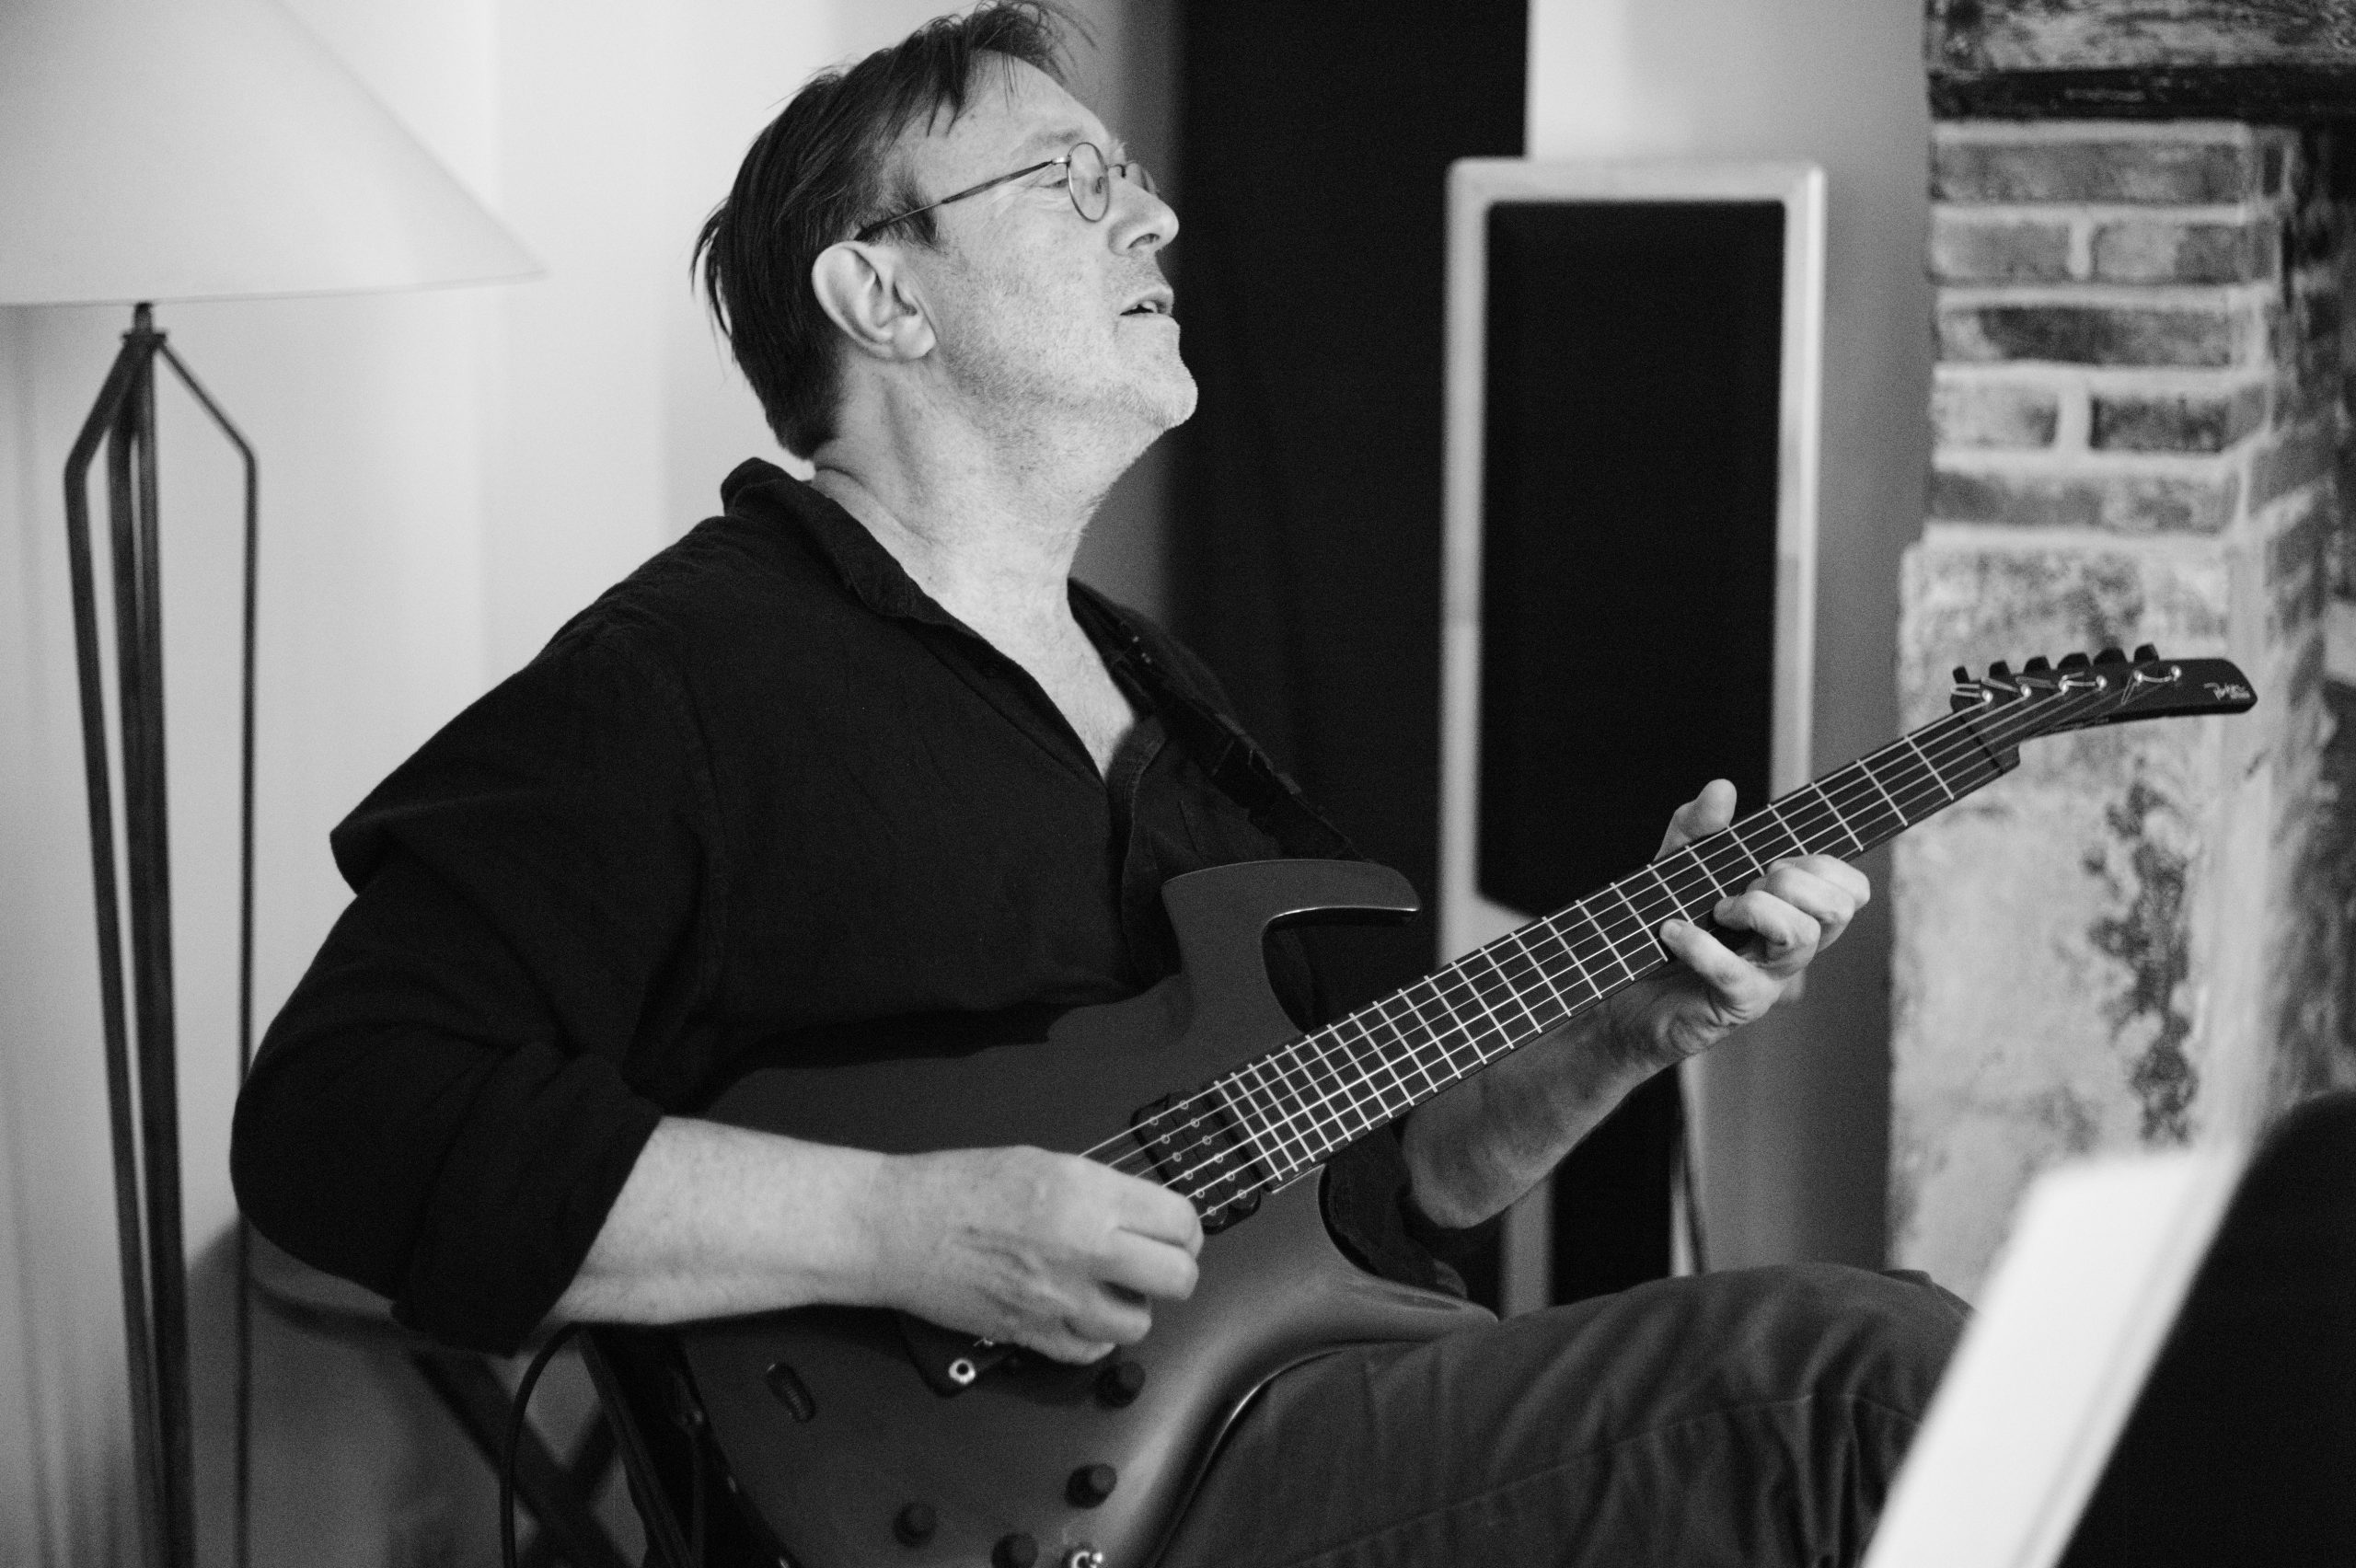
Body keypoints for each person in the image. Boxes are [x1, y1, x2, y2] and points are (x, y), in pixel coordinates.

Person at [231, 6, 1964, 1562]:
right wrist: (906, 1229)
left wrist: (1621, 1034)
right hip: (1074, 1503)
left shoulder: (1162, 695)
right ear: (882, 294)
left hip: (1313, 1390)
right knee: (1865, 1390)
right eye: (1073, 180)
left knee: (1915, 1357)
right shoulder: (683, 676)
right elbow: (339, 1124)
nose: (1157, 219)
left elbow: (1376, 1190)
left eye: (1130, 178)